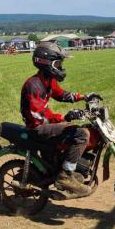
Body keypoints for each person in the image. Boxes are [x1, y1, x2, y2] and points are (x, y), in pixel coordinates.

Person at [20, 42, 99, 197]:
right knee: (81, 134)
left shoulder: (48, 80)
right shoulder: (33, 85)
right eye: (58, 63)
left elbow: (61, 95)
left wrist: (84, 96)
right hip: (36, 128)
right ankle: (65, 175)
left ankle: (66, 166)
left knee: (79, 129)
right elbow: (39, 117)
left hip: (43, 124)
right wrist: (64, 117)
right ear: (46, 63)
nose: (61, 67)